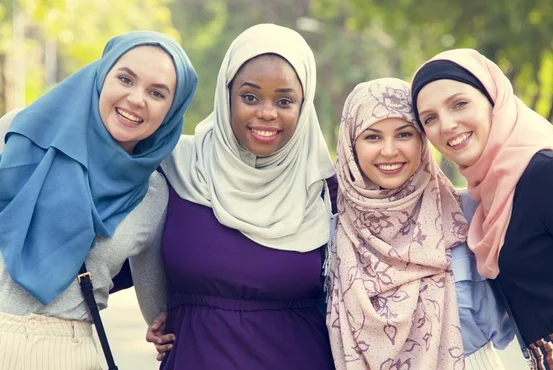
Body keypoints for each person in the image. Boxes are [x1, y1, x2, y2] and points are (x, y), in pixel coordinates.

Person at [0, 30, 198, 370]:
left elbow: (158, 306)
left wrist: (167, 328)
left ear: (171, 110)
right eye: (125, 79)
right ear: (101, 76)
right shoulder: (19, 132)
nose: (137, 99)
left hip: (69, 354)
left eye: (157, 93)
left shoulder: (151, 193)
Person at [147, 23, 337, 369]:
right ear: (226, 95)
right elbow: (117, 252)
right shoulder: (178, 167)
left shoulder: (325, 188)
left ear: (304, 105)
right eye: (250, 97)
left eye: (285, 100)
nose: (267, 112)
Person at [411, 48, 553, 370]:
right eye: (430, 118)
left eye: (459, 104)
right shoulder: (491, 193)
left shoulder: (544, 174)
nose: (447, 124)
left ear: (493, 100)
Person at [326, 77, 512, 370]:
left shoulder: (467, 213)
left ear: (423, 140)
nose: (389, 151)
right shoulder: (333, 233)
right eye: (372, 137)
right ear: (351, 145)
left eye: (404, 134)